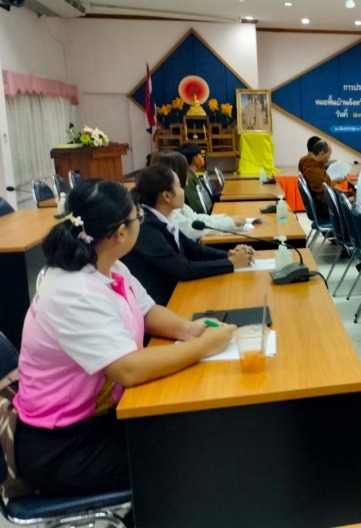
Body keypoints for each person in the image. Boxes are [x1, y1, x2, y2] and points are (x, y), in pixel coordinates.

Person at [13, 179, 235, 499]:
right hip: (63, 445)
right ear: (120, 233)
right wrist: (204, 346)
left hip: (101, 417)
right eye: (137, 219)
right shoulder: (72, 290)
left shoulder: (109, 265)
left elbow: (146, 310)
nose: (140, 224)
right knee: (187, 457)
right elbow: (128, 370)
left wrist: (190, 330)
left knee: (192, 428)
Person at [121, 165, 252, 306]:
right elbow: (183, 269)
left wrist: (229, 254)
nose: (183, 190)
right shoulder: (146, 228)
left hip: (176, 291)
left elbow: (193, 249)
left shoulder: (163, 218)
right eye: (178, 186)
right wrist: (231, 263)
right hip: (162, 304)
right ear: (166, 196)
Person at [158, 151, 248, 240]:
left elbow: (195, 217)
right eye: (185, 170)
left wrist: (224, 218)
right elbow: (191, 229)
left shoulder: (175, 203)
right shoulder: (168, 209)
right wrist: (229, 222)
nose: (188, 174)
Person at [298, 139, 333, 219]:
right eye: (329, 154)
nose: (329, 158)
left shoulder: (305, 161)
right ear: (322, 154)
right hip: (323, 210)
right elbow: (324, 195)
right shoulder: (314, 171)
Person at [177, 143, 206, 214]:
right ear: (194, 158)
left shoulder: (191, 174)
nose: (202, 158)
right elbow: (196, 206)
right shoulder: (188, 178)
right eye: (200, 155)